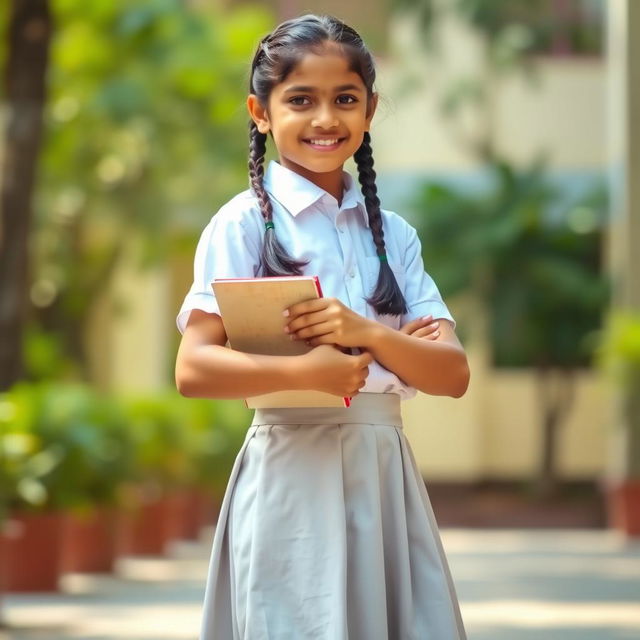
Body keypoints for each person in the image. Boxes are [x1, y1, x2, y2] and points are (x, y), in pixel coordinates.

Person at [175, 12, 470, 640]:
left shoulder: (393, 235)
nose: (325, 119)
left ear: (370, 109)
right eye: (300, 100)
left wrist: (365, 333)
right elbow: (194, 367)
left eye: (345, 99)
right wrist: (308, 371)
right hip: (290, 474)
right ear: (259, 111)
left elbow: (451, 372)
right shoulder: (243, 226)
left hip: (382, 470)